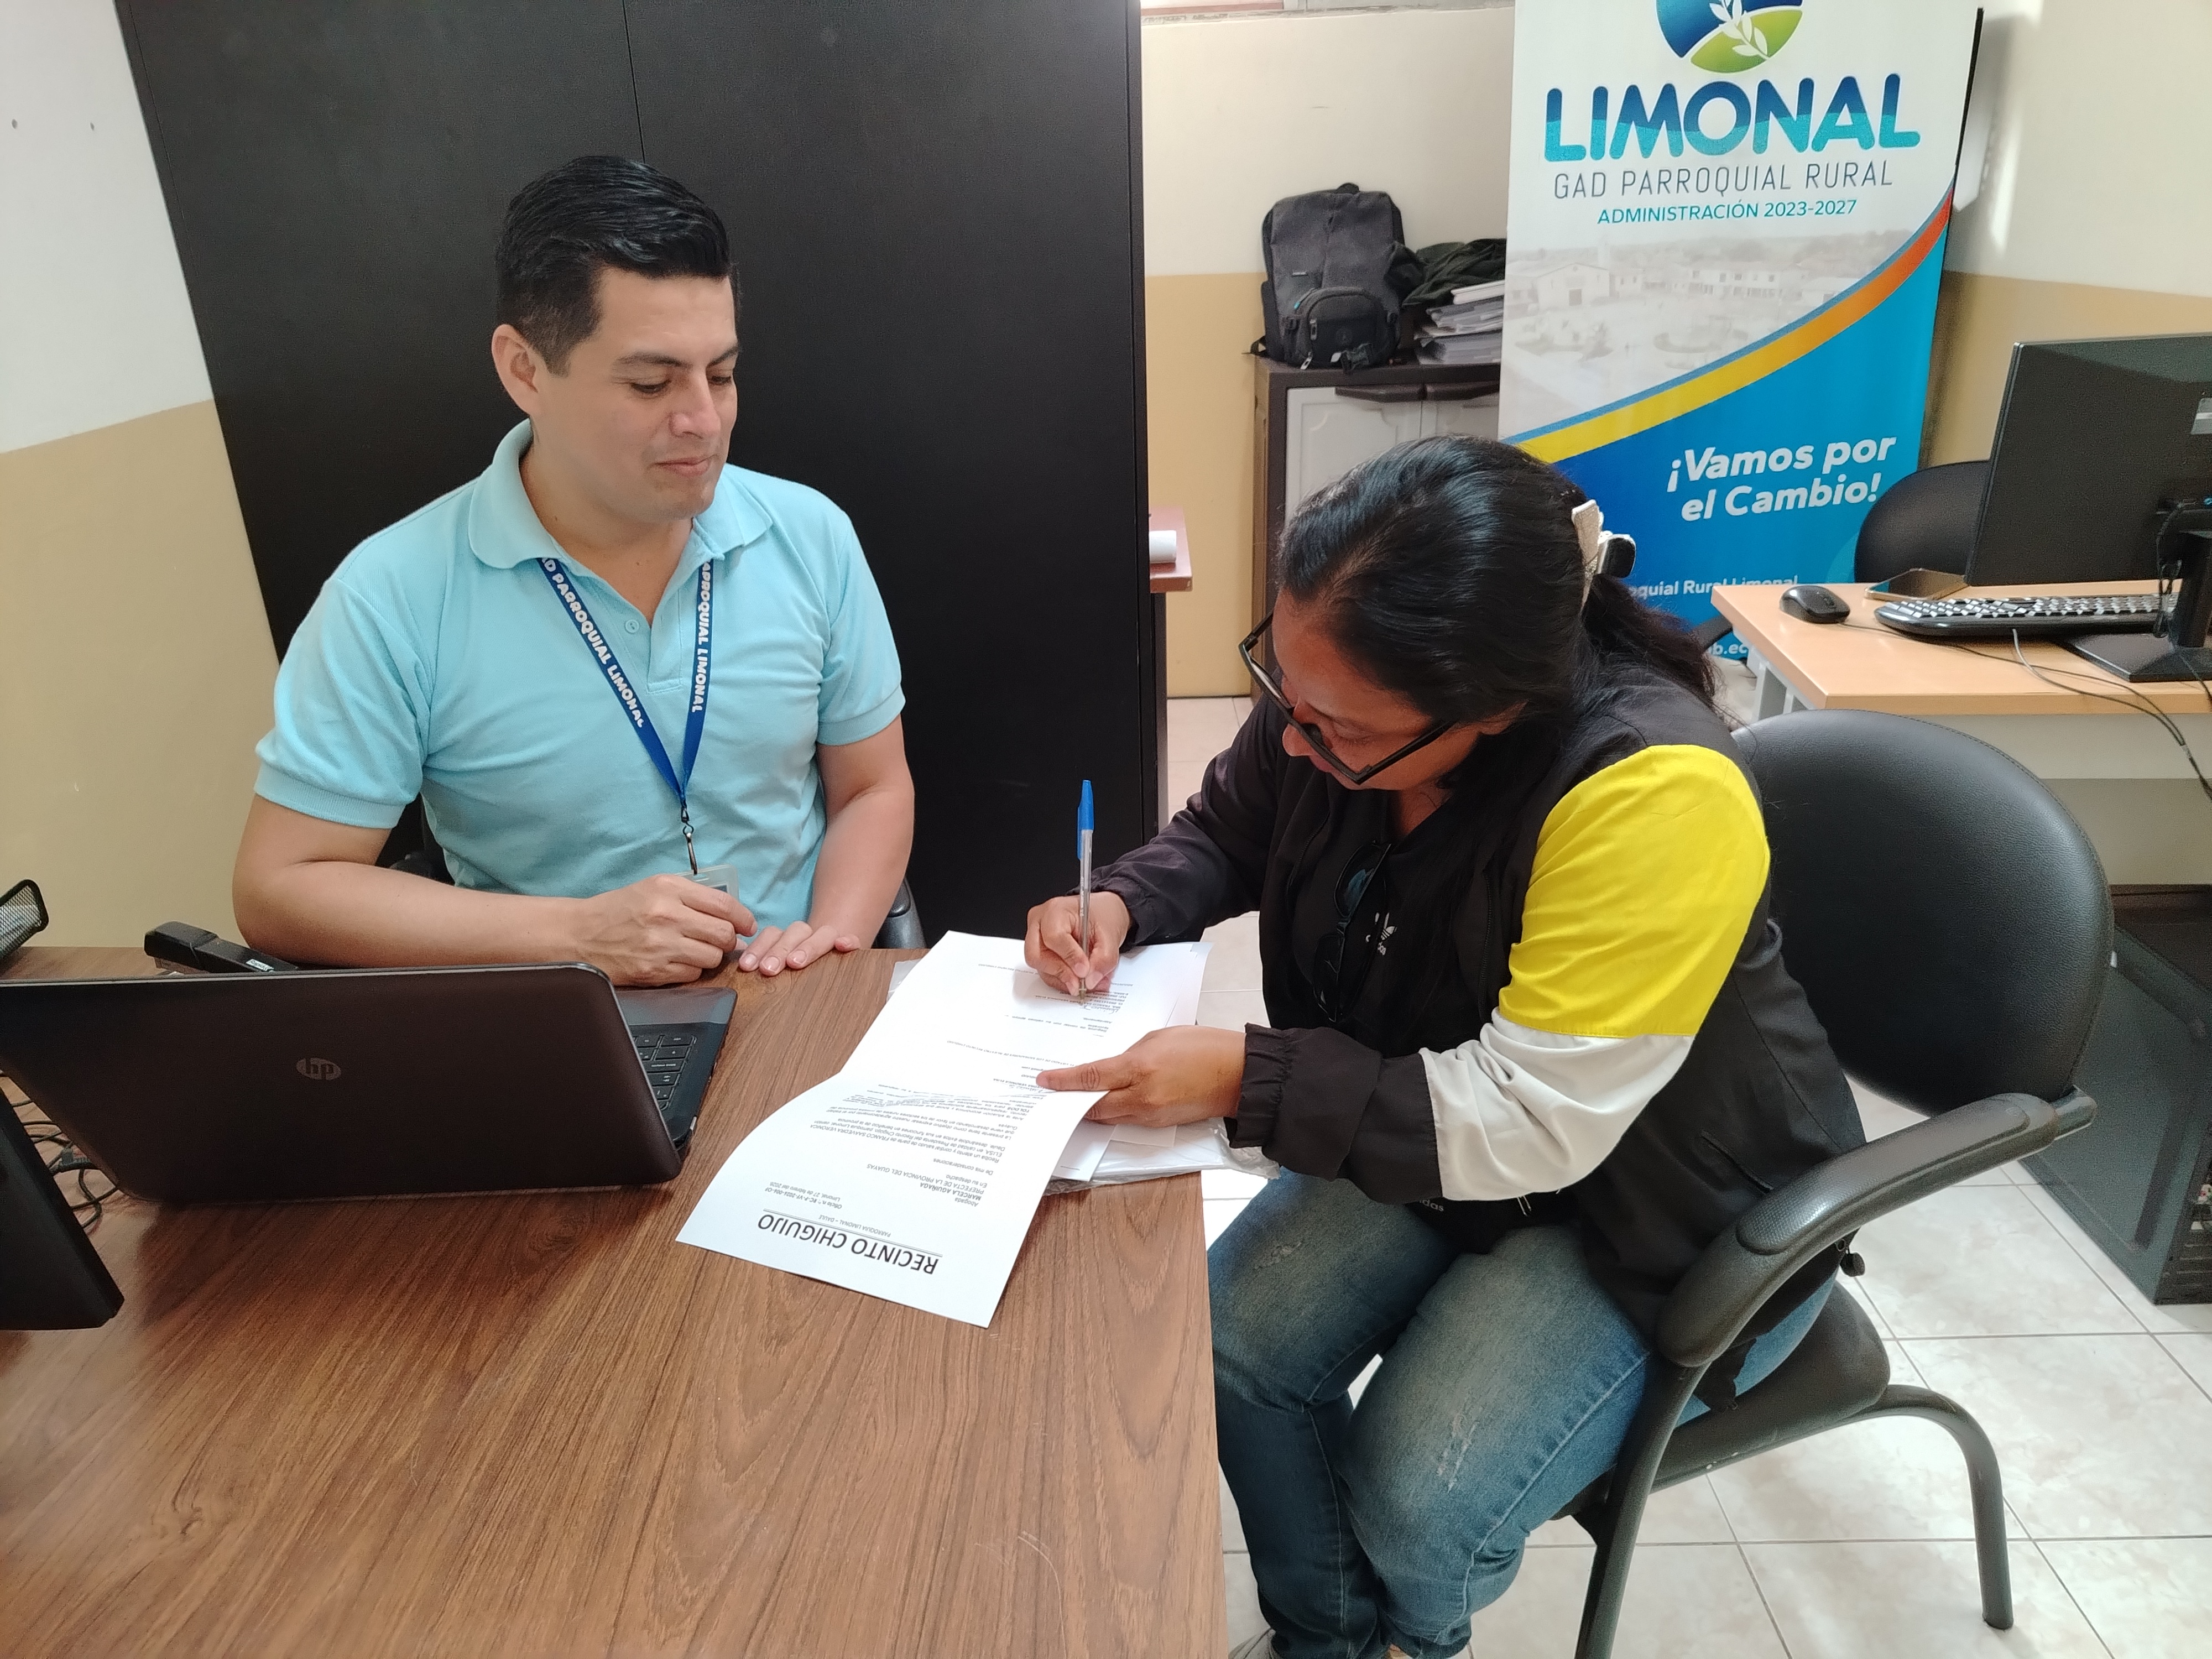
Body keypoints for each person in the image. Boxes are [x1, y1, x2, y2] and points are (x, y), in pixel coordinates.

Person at [1022, 436, 1863, 1659]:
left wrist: (1246, 1075)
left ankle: (1411, 1636)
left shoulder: (1653, 792)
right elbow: (1232, 827)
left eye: (1336, 728)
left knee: (1416, 1500)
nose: (1295, 739)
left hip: (1654, 1203)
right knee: (1231, 1347)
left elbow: (1530, 1121)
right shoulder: (1337, 697)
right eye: (1282, 691)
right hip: (1435, 1118)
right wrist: (1125, 900)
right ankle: (1328, 1637)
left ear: (1491, 706)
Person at [234, 157, 912, 985]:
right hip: (560, 1012)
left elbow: (872, 788)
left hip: (797, 990)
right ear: (525, 370)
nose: (704, 421)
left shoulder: (808, 535)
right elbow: (281, 887)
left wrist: (824, 949)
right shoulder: (393, 595)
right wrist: (577, 935)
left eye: (723, 374)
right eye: (651, 383)